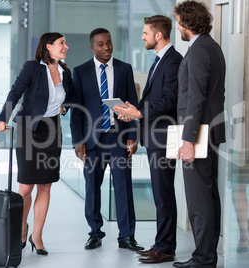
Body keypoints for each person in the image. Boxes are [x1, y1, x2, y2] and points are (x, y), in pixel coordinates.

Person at [0, 32, 75, 256]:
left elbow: (73, 97)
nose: (66, 46)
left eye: (65, 43)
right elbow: (15, 92)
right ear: (48, 47)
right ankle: (21, 229)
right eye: (61, 43)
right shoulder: (32, 67)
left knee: (46, 186)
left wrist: (64, 107)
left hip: (51, 131)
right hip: (29, 130)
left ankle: (37, 236)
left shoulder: (65, 72)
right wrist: (3, 118)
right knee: (26, 187)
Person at [114, 15, 183, 264]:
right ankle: (162, 243)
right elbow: (153, 98)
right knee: (160, 194)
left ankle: (165, 248)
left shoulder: (174, 61)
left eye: (145, 32)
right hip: (155, 137)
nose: (142, 36)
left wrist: (140, 112)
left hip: (164, 138)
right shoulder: (159, 60)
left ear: (158, 35)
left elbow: (169, 100)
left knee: (163, 194)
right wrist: (133, 110)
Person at [69, 28, 143, 251]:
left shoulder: (124, 69)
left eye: (109, 43)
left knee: (123, 188)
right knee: (92, 187)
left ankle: (127, 236)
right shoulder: (80, 72)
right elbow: (76, 110)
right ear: (93, 47)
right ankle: (95, 232)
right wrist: (78, 141)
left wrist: (132, 136)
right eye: (101, 44)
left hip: (119, 138)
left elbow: (133, 105)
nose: (106, 47)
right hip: (93, 141)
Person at [172, 1, 226, 267]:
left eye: (179, 21)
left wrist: (187, 140)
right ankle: (207, 256)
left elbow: (195, 98)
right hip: (207, 132)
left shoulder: (198, 51)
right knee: (208, 196)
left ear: (187, 23)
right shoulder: (211, 47)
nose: (177, 26)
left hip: (199, 134)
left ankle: (203, 259)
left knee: (199, 199)